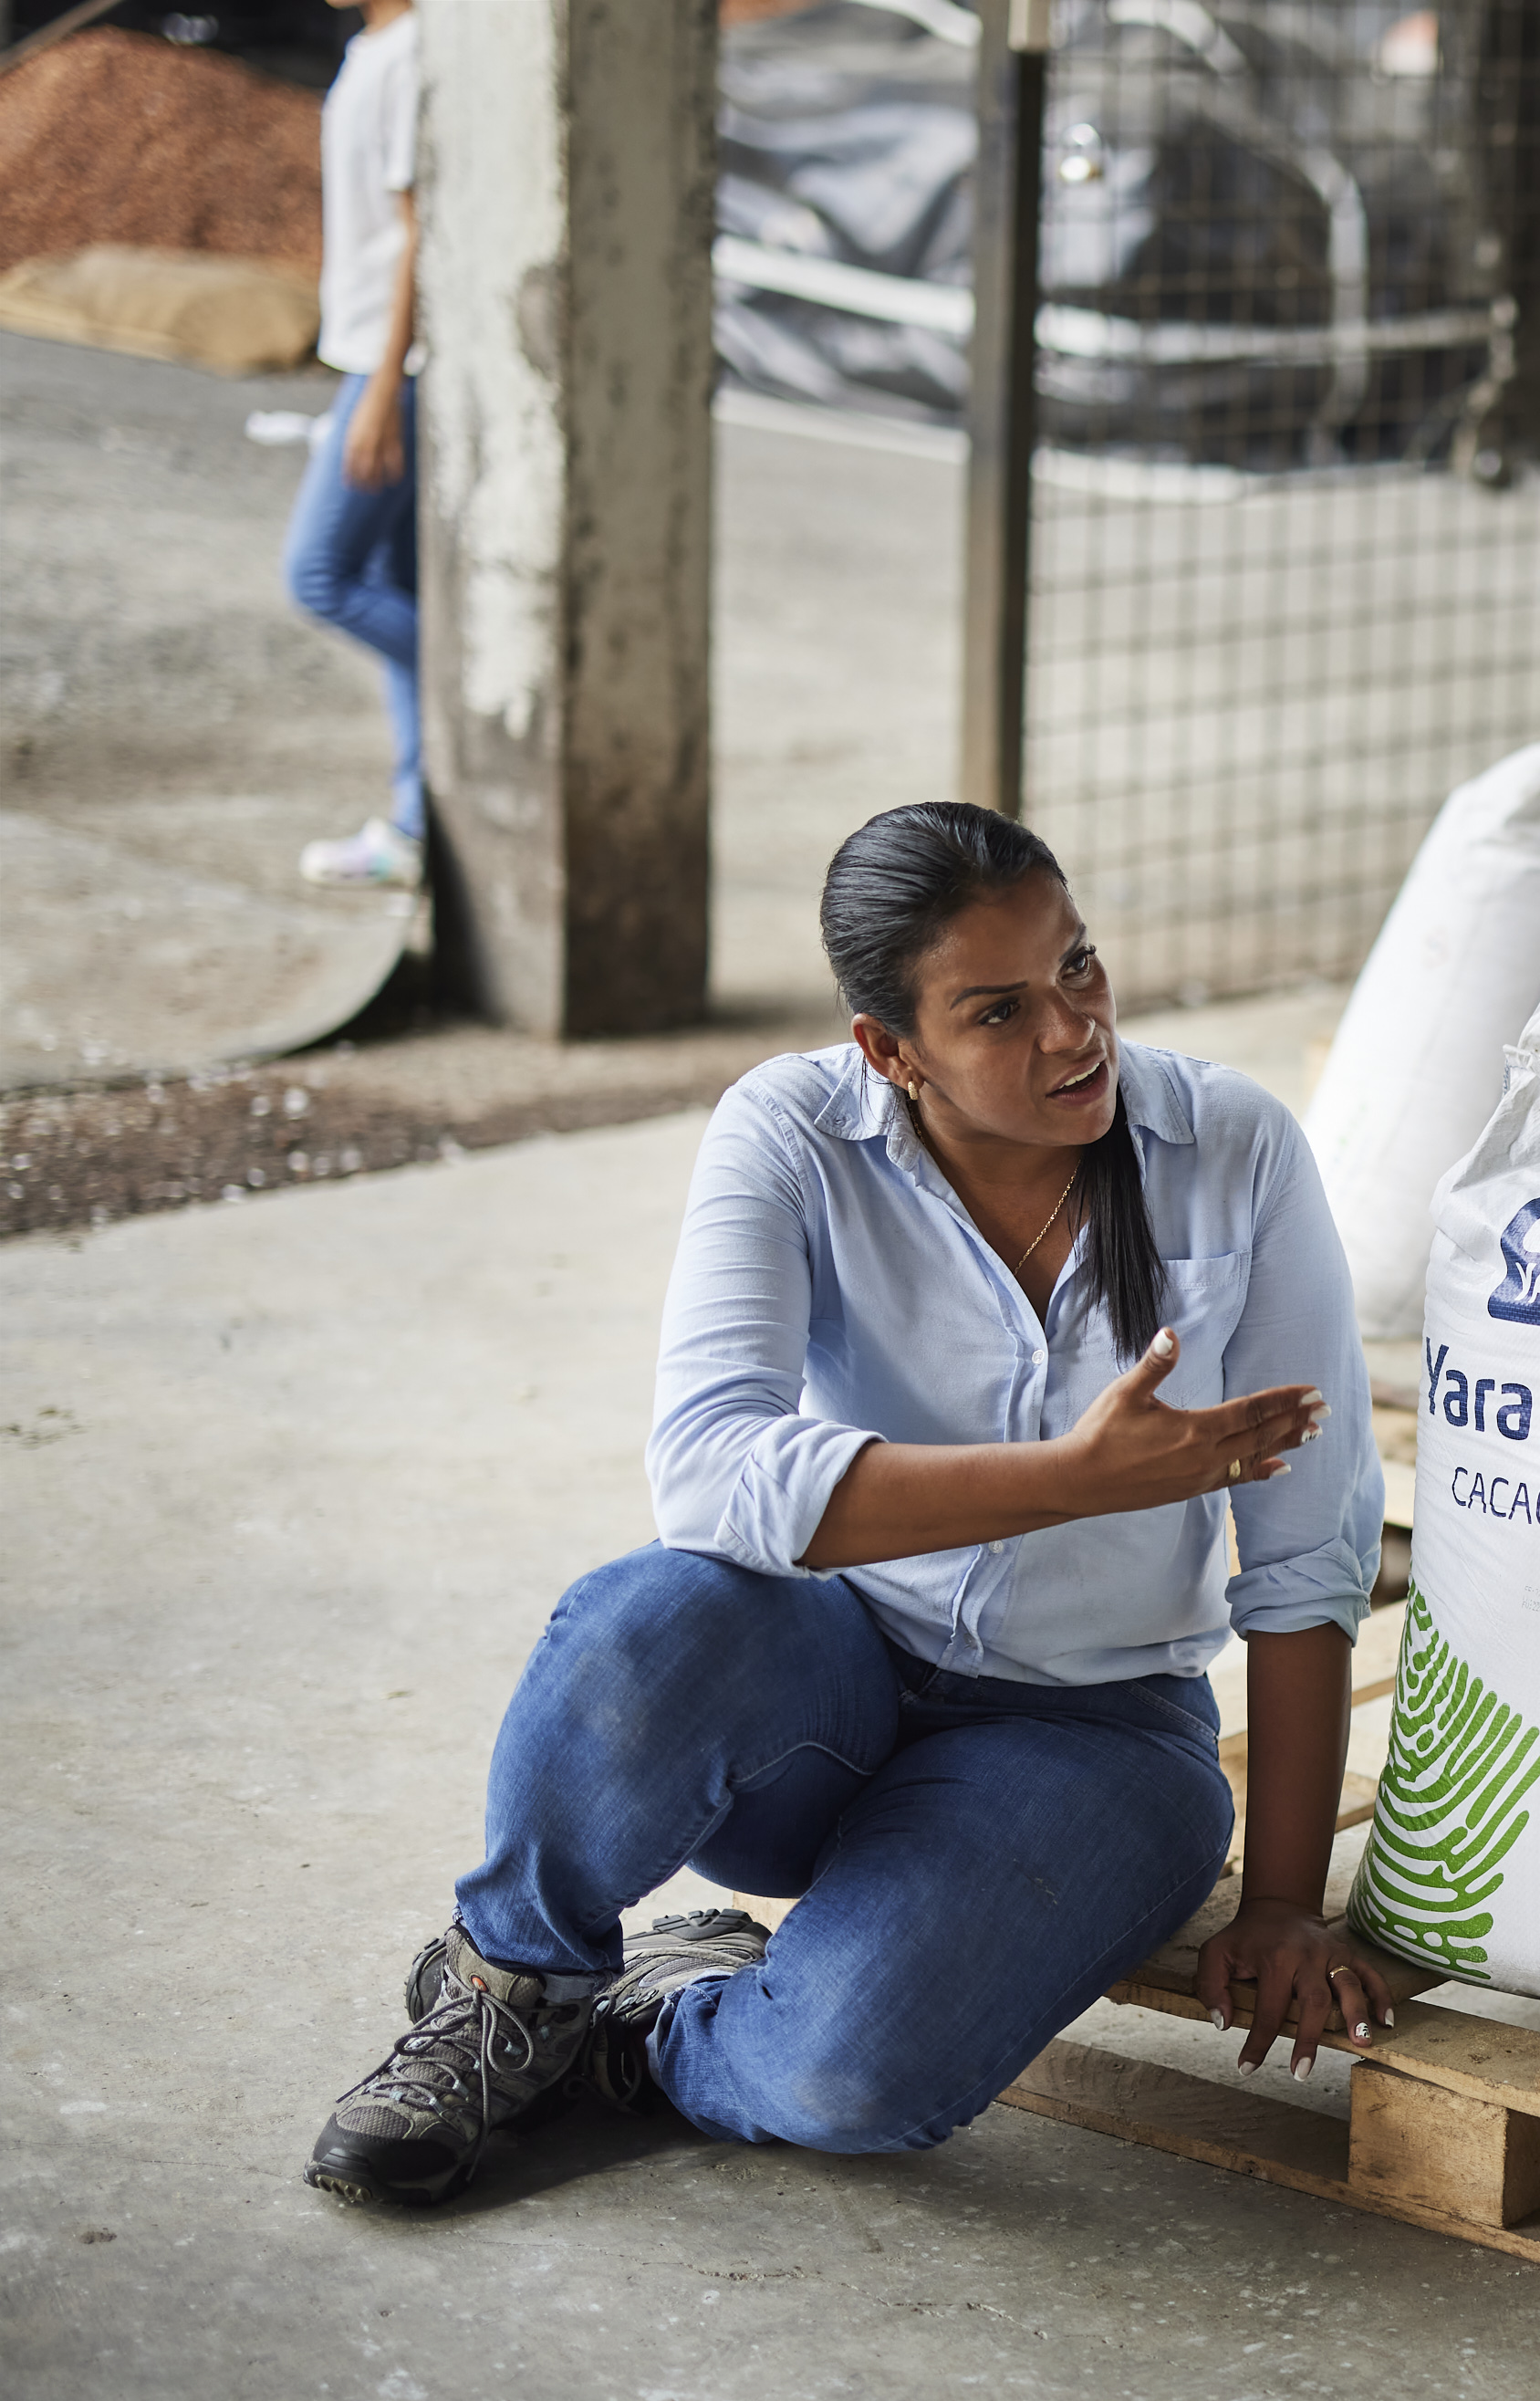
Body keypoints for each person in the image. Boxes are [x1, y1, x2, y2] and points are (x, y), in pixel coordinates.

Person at [307, 802, 1395, 2207]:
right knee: (651, 1624)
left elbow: (1312, 1550)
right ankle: (508, 1989)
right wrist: (1068, 1481)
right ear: (891, 1050)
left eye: (1078, 967)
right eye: (998, 1011)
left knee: (848, 2078)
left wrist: (1292, 1901)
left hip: (1095, 1731)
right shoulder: (794, 1129)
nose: (1073, 1031)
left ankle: (651, 2034)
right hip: (820, 1690)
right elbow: (707, 1468)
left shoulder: (1232, 1150)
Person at [289, 0, 428, 890]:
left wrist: (383, 384)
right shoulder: (371, 45)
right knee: (391, 588)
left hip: (396, 370)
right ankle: (413, 828)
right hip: (376, 361)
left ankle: (488, 680)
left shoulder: (411, 52)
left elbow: (421, 231)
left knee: (320, 576)